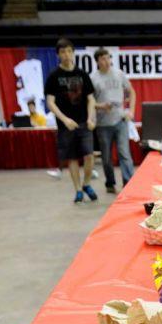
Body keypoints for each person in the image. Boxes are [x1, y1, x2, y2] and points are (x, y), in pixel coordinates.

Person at [45, 38, 97, 203]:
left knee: (89, 155)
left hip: (84, 122)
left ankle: (87, 183)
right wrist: (65, 119)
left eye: (69, 51)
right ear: (58, 55)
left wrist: (90, 118)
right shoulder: (54, 76)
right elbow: (50, 102)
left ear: (73, 53)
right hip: (65, 125)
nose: (66, 55)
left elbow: (91, 99)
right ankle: (78, 190)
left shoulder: (82, 74)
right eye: (62, 52)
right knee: (72, 158)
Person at [91, 47, 136, 194]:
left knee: (124, 152)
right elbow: (89, 101)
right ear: (97, 61)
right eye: (102, 58)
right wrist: (100, 106)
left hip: (120, 120)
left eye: (108, 57)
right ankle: (110, 182)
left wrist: (131, 111)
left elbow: (131, 92)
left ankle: (128, 183)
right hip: (103, 124)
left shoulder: (119, 74)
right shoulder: (93, 78)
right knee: (106, 157)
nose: (106, 61)